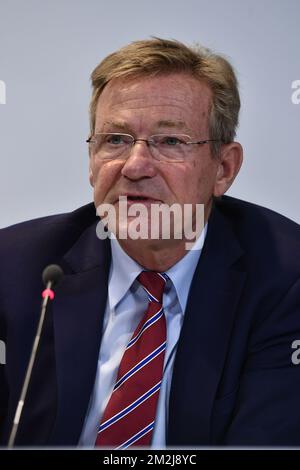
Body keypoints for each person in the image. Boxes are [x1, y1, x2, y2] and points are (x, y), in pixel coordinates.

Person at [0, 37, 300, 448]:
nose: (135, 166)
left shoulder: (286, 279)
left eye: (171, 141)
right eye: (116, 140)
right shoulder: (12, 269)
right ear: (92, 161)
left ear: (224, 169)